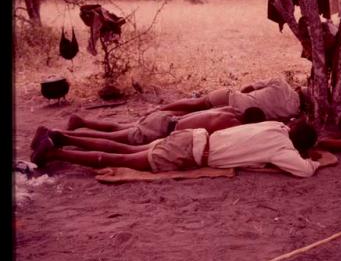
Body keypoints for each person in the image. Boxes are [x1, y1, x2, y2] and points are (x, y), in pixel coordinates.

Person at [30, 119, 325, 178]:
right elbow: (304, 172)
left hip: (193, 136)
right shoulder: (283, 151)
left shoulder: (275, 126)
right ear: (300, 146)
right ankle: (54, 152)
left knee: (121, 145)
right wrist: (313, 161)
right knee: (121, 157)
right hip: (191, 152)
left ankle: (61, 135)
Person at [50, 106, 266, 145]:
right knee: (116, 139)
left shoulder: (229, 110)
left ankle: (81, 122)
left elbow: (197, 113)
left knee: (118, 127)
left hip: (167, 118)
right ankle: (63, 136)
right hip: (163, 130)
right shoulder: (230, 124)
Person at [146, 77, 307, 122]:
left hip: (233, 98)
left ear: (298, 88)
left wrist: (239, 94)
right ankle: (161, 120)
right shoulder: (293, 112)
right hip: (239, 117)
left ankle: (158, 111)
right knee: (189, 118)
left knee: (195, 103)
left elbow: (249, 87)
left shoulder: (281, 83)